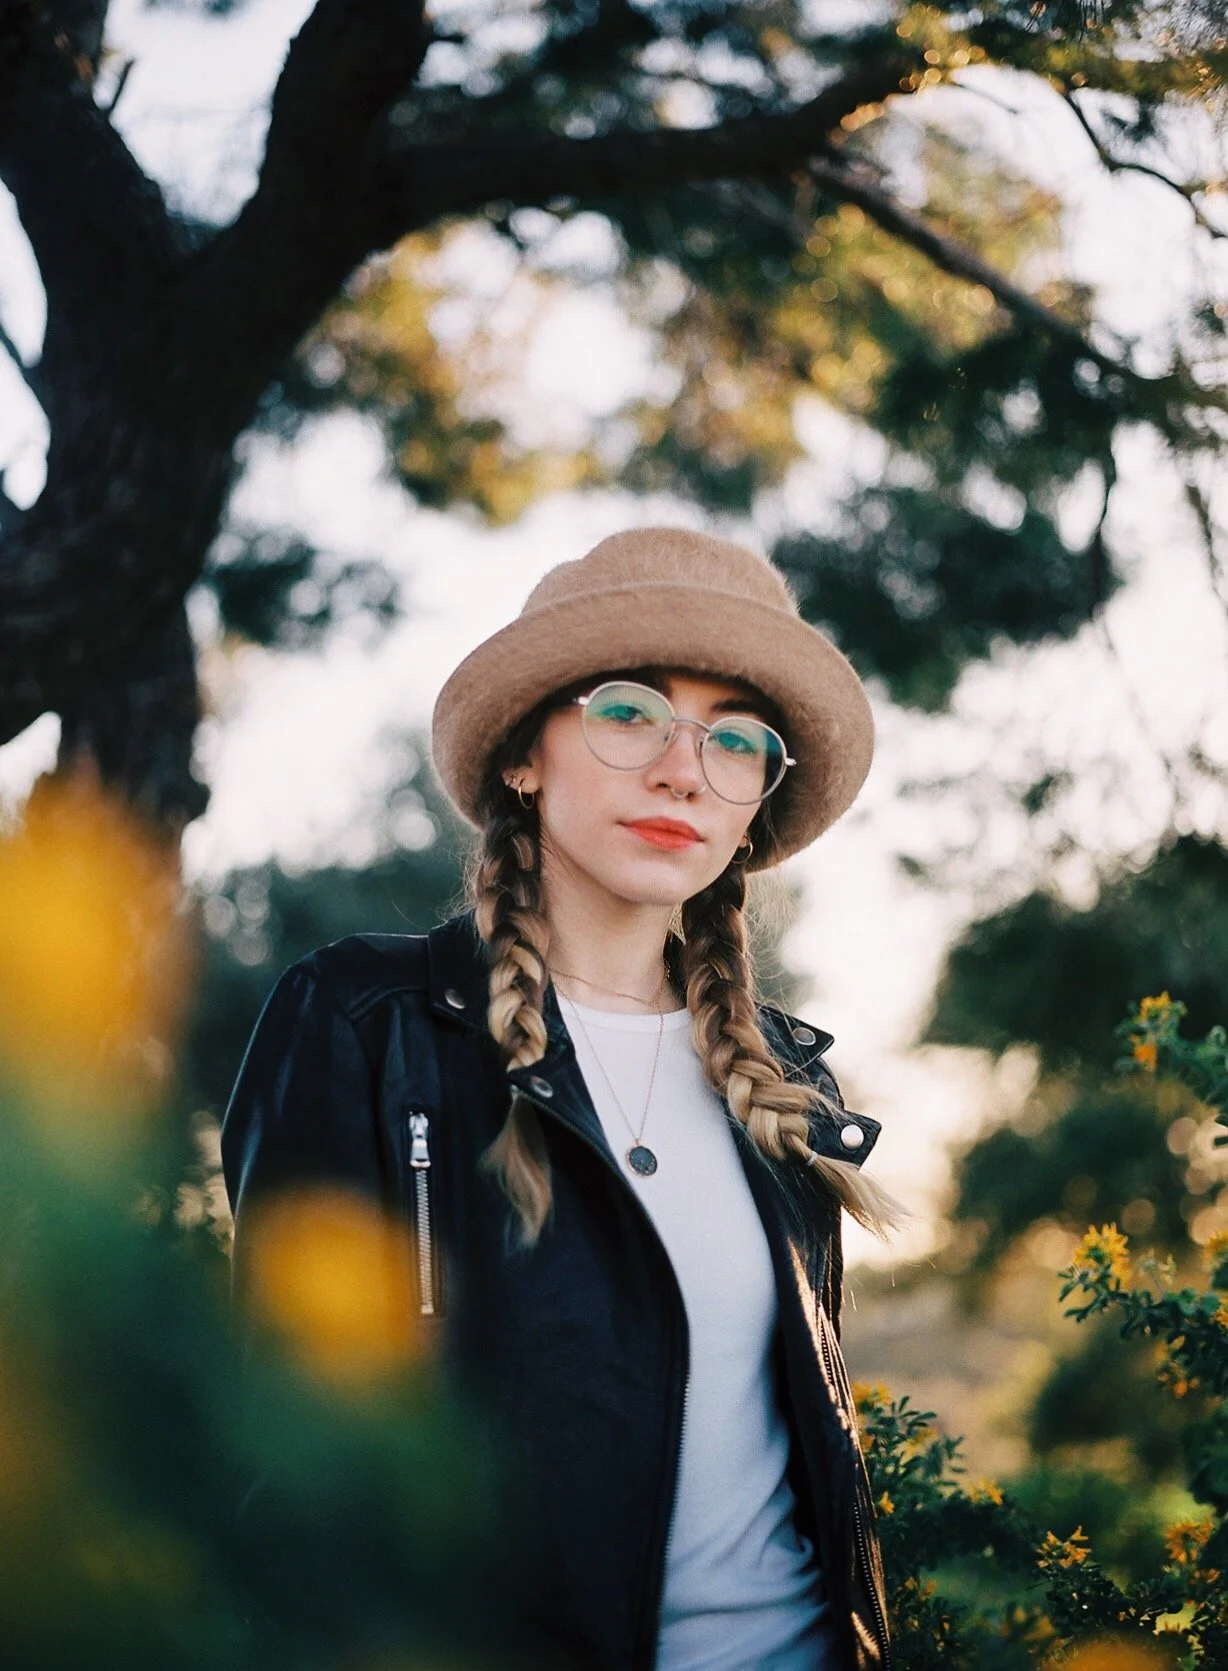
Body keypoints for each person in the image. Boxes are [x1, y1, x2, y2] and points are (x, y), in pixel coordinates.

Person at [222, 526, 903, 1671]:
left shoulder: (790, 1089)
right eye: (629, 713)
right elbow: (298, 1457)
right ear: (523, 758)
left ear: (751, 813)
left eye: (736, 741)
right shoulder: (365, 1021)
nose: (684, 770)